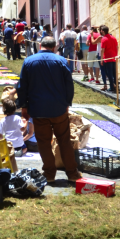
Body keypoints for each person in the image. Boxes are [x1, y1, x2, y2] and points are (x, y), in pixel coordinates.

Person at [17, 36, 81, 183]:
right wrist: (67, 103)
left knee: (44, 143)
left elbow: (22, 86)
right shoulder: (61, 61)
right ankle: (72, 174)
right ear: (54, 47)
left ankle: (49, 175)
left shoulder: (28, 61)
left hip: (38, 109)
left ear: (40, 46)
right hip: (58, 108)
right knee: (64, 141)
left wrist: (24, 107)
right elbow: (69, 85)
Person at [99, 25, 118, 92]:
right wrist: (116, 55)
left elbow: (102, 50)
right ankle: (116, 85)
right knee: (114, 73)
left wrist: (101, 59)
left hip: (107, 58)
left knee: (109, 73)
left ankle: (112, 87)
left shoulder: (104, 39)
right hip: (114, 57)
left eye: (101, 31)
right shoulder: (113, 38)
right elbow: (117, 46)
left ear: (103, 31)